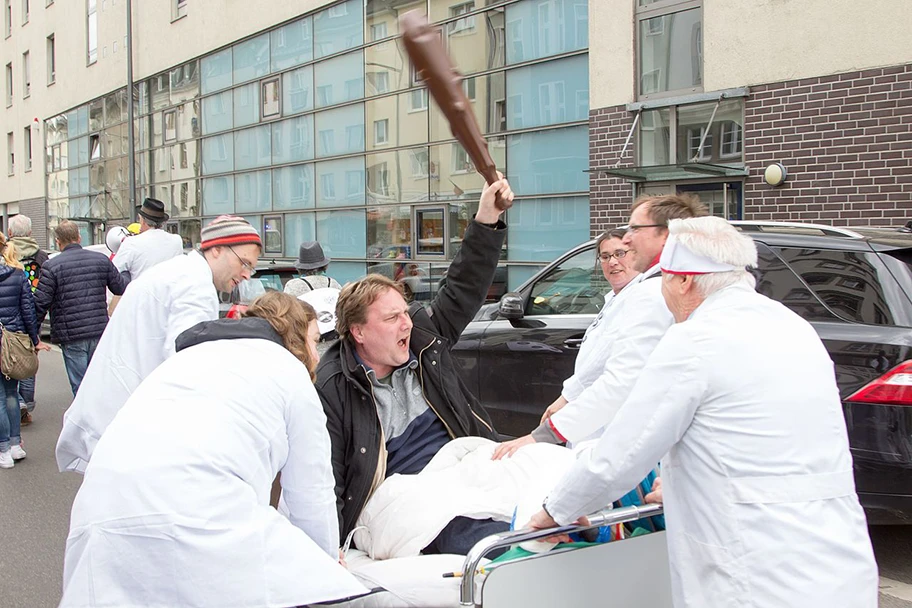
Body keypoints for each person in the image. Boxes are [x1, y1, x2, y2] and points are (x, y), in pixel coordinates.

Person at [528, 217, 878, 607]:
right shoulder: (793, 327)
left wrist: (554, 511)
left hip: (758, 572)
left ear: (683, 281)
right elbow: (763, 446)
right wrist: (680, 487)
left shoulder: (694, 340)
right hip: (839, 560)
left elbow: (620, 455)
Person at [60, 292, 366, 607]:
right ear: (296, 336)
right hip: (200, 510)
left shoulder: (183, 361)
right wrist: (326, 567)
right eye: (314, 340)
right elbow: (311, 494)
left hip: (102, 504)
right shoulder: (290, 372)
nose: (316, 354)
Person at [316, 176, 514, 552]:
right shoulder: (335, 386)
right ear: (358, 331)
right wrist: (329, 549)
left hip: (465, 464)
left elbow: (463, 286)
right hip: (406, 496)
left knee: (542, 472)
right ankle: (517, 562)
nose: (406, 323)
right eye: (392, 319)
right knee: (469, 531)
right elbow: (328, 480)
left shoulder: (424, 339)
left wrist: (487, 218)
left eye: (405, 313)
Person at [494, 194, 708, 458]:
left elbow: (622, 380)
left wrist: (544, 435)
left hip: (616, 430)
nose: (627, 239)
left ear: (665, 235)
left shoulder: (654, 293)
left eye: (634, 230)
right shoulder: (652, 288)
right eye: (605, 256)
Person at [56, 215, 262, 473]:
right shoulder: (195, 287)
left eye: (251, 268)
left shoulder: (178, 271)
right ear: (218, 248)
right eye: (244, 263)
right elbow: (187, 366)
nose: (246, 274)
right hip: (128, 430)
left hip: (112, 421)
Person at [33, 221, 128, 396]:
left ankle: (86, 419)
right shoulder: (100, 260)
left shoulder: (51, 266)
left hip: (71, 334)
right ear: (79, 238)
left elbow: (40, 303)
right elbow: (121, 288)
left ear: (58, 241)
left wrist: (33, 335)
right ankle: (102, 418)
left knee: (80, 386)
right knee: (99, 380)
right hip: (98, 329)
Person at [0, 233, 49, 468]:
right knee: (11, 394)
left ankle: (3, 451)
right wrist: (34, 339)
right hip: (15, 340)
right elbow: (28, 310)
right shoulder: (18, 274)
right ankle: (15, 445)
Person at [8, 214, 49, 425]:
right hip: (34, 312)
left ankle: (15, 399)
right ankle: (26, 403)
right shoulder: (41, 257)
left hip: (8, 313)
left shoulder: (5, 254)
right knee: (30, 354)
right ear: (31, 233)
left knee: (8, 355)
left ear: (10, 233)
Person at [113, 198, 183, 281]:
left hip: (141, 293)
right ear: (162, 222)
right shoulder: (177, 241)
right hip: (171, 292)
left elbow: (114, 271)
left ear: (143, 221)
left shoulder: (131, 243)